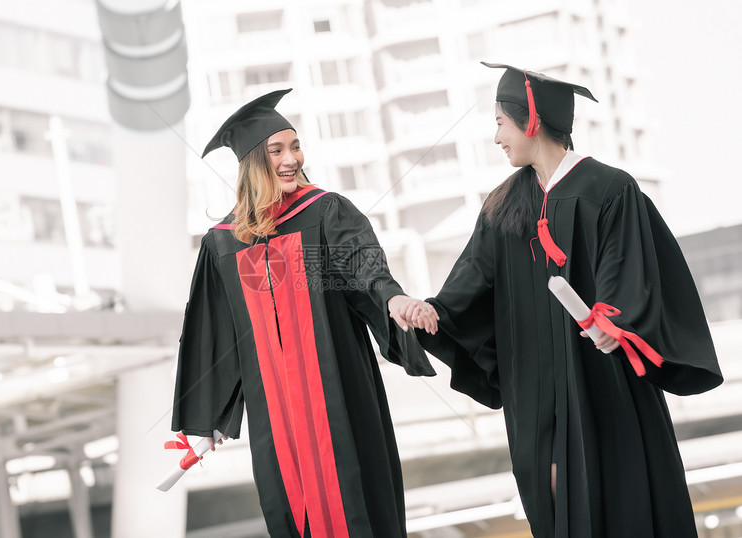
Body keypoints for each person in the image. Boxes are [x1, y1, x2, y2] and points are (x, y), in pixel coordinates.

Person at [401, 62, 723, 537]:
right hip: (534, 395)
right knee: (555, 513)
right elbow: (471, 283)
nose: (496, 137)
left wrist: (614, 320)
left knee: (622, 503)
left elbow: (630, 271)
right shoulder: (502, 206)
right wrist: (434, 312)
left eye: (499, 123)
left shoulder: (610, 191)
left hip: (604, 383)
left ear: (530, 119)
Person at [170, 88, 435, 537]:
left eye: (295, 146)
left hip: (340, 400)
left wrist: (393, 299)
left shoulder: (325, 212)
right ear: (254, 162)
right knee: (290, 512)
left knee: (357, 504)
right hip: (276, 418)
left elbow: (362, 265)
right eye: (277, 150)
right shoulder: (222, 243)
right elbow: (216, 332)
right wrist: (205, 421)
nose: (291, 158)